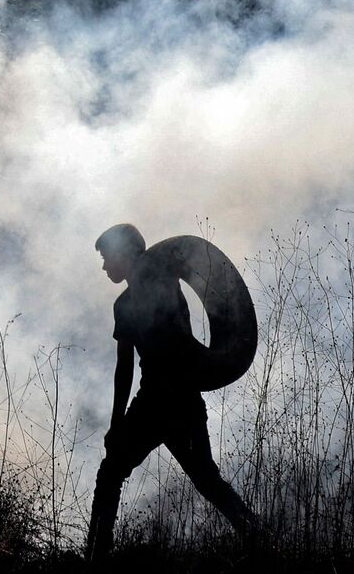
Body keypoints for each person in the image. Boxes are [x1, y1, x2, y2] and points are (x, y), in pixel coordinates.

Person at [85, 223, 257, 561]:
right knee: (206, 481)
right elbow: (125, 367)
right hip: (175, 400)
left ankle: (95, 557)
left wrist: (118, 423)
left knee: (114, 474)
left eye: (107, 258)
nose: (105, 267)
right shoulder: (128, 303)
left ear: (126, 253)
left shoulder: (162, 283)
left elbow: (125, 369)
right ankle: (260, 536)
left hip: (164, 401)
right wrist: (117, 422)